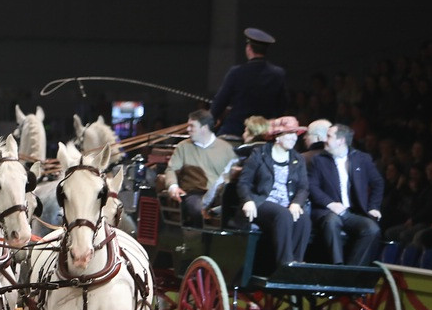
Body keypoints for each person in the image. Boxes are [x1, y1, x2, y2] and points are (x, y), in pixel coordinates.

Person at [236, 116, 312, 271]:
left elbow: (304, 187)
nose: (293, 138)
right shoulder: (260, 154)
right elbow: (244, 182)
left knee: (303, 217)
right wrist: (247, 200)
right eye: (289, 134)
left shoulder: (298, 159)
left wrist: (297, 203)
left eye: (295, 134)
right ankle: (285, 265)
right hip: (261, 201)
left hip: (287, 203)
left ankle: (297, 263)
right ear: (277, 137)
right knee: (283, 214)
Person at [307, 123, 385, 265]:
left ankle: (352, 271)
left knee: (372, 229)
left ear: (341, 141)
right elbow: (312, 187)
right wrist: (330, 204)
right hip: (327, 211)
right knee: (332, 222)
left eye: (329, 136)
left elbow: (378, 183)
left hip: (352, 213)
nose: (325, 139)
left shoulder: (362, 159)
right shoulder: (318, 160)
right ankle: (338, 266)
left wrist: (374, 206)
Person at [162, 109, 238, 226]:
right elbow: (171, 169)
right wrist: (173, 186)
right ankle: (200, 240)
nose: (188, 129)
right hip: (194, 193)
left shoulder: (225, 148)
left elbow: (234, 172)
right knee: (197, 208)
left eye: (192, 126)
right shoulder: (183, 147)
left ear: (204, 128)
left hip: (219, 195)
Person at [210, 28, 288, 138]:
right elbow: (282, 104)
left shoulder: (237, 72)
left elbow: (220, 101)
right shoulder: (278, 74)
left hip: (236, 129)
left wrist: (210, 120)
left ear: (249, 48)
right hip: (265, 130)